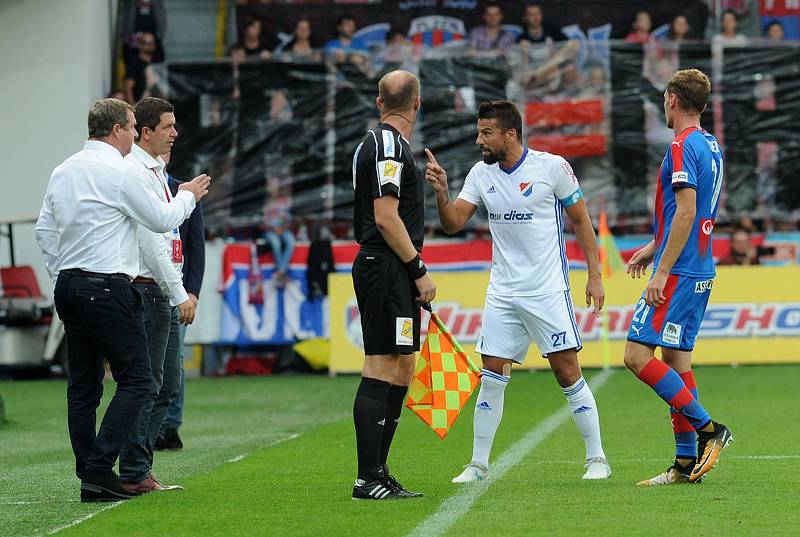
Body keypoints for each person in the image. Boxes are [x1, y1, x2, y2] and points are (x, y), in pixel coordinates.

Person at [424, 100, 611, 483]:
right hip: (503, 293)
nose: (479, 140)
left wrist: (594, 275)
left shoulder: (552, 168)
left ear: (511, 133)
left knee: (566, 372)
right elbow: (454, 222)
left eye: (486, 132)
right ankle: (477, 465)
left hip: (546, 291)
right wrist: (442, 193)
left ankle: (597, 459)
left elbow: (581, 221)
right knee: (491, 374)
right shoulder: (480, 174)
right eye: (478, 132)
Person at [34, 98, 209, 502]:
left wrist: (63, 275)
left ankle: (88, 472)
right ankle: (100, 469)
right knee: (139, 379)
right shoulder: (121, 171)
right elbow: (161, 222)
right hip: (108, 285)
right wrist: (187, 196)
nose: (135, 134)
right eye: (131, 127)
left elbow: (45, 230)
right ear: (116, 130)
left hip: (69, 286)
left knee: (82, 386)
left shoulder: (63, 170)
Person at [624, 69, 733, 486]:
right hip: (699, 266)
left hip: (681, 272)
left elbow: (687, 212)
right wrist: (655, 246)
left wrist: (662, 270)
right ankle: (686, 465)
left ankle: (710, 430)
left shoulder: (682, 145)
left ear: (671, 99)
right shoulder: (710, 144)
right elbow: (694, 209)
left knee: (636, 356)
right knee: (675, 361)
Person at [350, 70, 435, 500]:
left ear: (380, 101)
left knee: (403, 366)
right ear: (416, 104)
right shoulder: (386, 144)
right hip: (385, 266)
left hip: (392, 269)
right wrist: (418, 268)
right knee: (381, 365)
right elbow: (385, 217)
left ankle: (379, 470)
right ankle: (367, 478)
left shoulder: (394, 146)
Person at [118, 97, 201, 493]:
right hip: (149, 290)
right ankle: (132, 468)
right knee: (148, 383)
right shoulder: (136, 171)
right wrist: (179, 291)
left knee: (164, 385)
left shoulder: (156, 171)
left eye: (174, 125)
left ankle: (139, 467)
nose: (175, 133)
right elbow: (154, 241)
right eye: (167, 126)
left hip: (160, 291)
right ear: (146, 132)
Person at [156, 151, 207, 451]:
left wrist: (193, 291)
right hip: (149, 287)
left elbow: (196, 246)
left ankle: (171, 425)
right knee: (154, 361)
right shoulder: (141, 187)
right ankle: (154, 424)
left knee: (173, 359)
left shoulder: (183, 191)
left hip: (178, 291)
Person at [124, 31, 157, 105]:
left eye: (152, 43)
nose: (150, 46)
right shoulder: (134, 64)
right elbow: (128, 87)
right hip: (139, 105)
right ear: (139, 45)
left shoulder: (155, 63)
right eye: (146, 43)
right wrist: (133, 109)